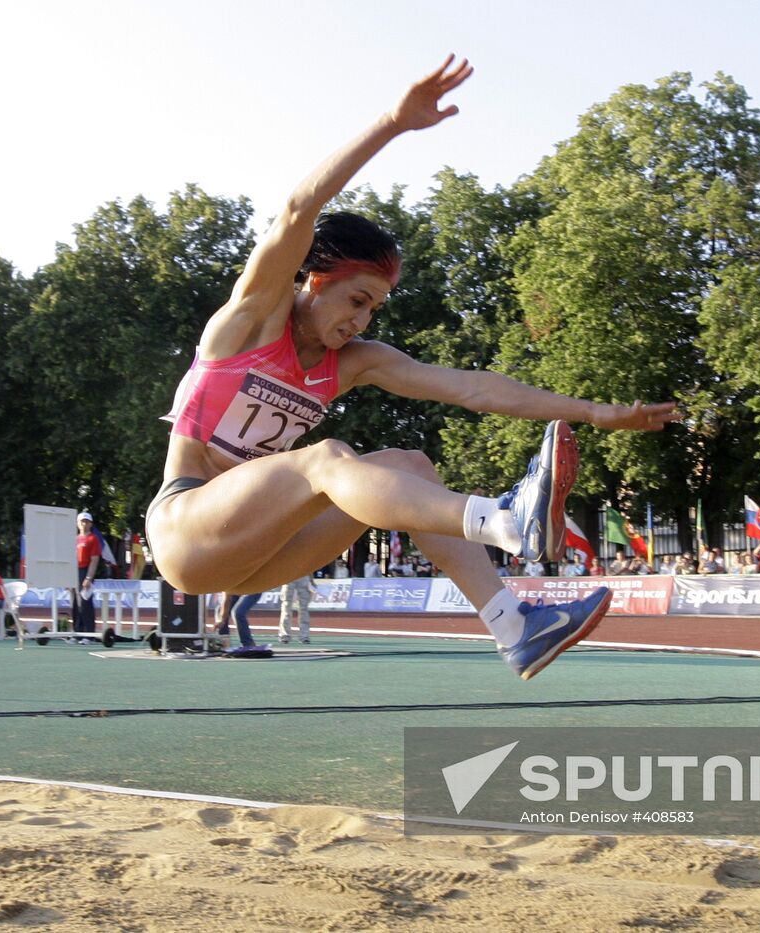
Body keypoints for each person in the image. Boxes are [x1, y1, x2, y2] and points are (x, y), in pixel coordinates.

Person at [142, 58, 678, 680]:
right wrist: (393, 123)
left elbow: (471, 387)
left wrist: (594, 412)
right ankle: (505, 519)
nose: (361, 322)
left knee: (408, 469)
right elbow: (296, 210)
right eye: (356, 300)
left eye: (373, 308)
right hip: (186, 528)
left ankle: (515, 628)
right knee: (326, 456)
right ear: (315, 282)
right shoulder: (251, 323)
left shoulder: (350, 364)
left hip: (260, 551)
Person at [74, 512, 102, 635]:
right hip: (75, 572)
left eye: (86, 521)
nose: (84, 524)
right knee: (76, 603)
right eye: (82, 521)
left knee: (85, 603)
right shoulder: (74, 539)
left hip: (86, 571)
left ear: (90, 524)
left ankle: (89, 633)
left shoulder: (93, 539)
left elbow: (95, 560)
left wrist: (89, 577)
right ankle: (77, 632)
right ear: (77, 523)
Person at [279, 573, 316, 643]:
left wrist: (311, 580)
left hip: (303, 575)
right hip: (288, 575)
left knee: (303, 608)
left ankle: (304, 636)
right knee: (286, 606)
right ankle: (284, 634)